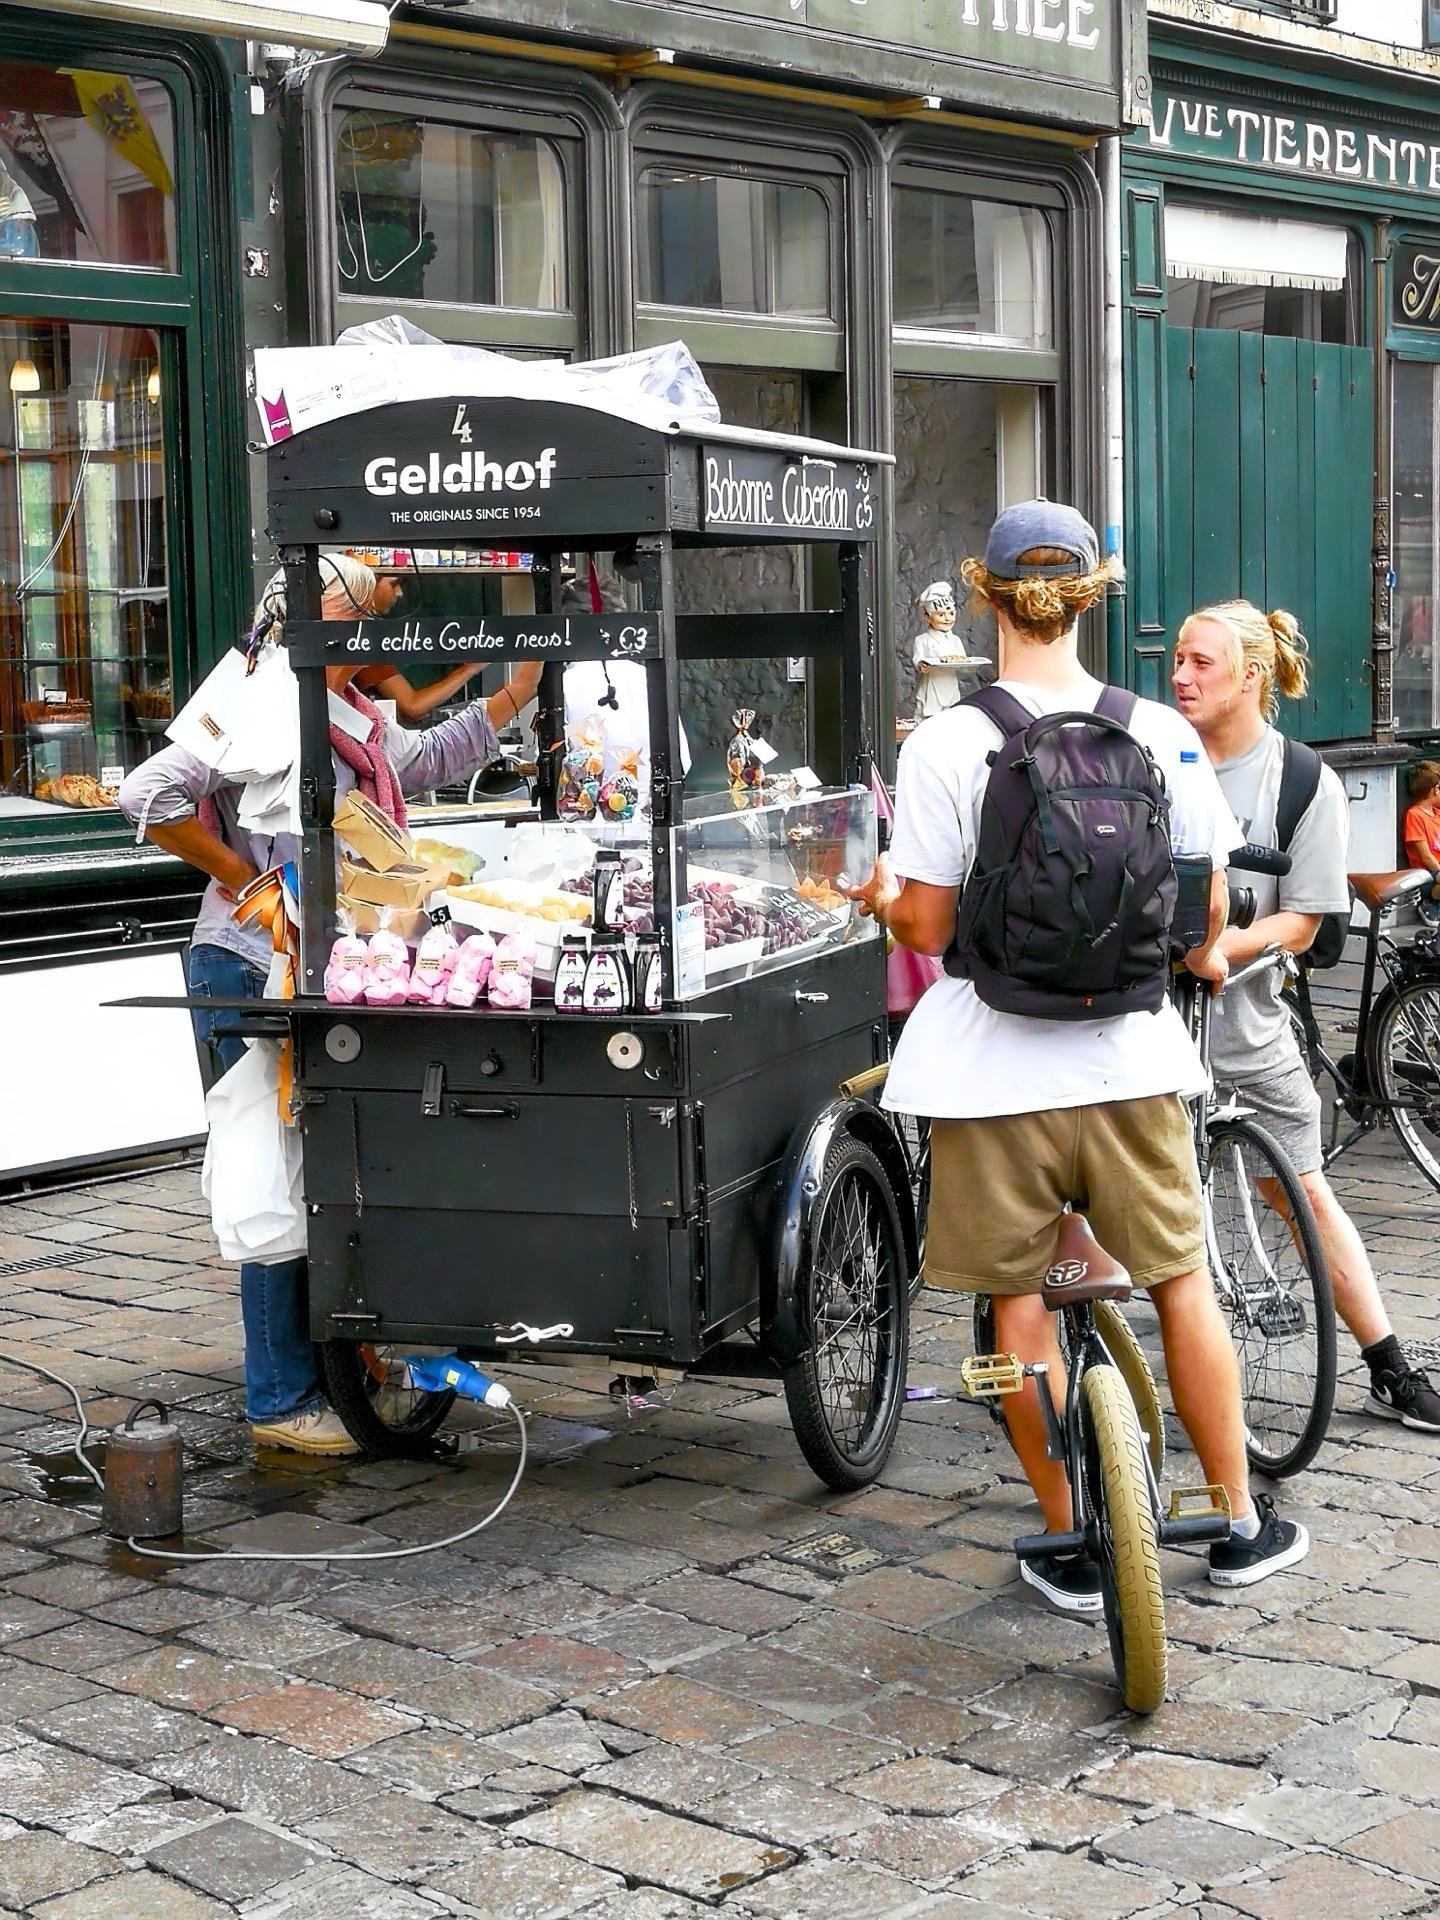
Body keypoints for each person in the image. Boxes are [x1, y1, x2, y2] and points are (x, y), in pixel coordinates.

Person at [856, 500, 1309, 1611]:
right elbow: (1204, 917)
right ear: (1093, 595)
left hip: (987, 1075)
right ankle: (1237, 1516)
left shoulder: (949, 744)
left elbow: (922, 926)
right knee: (1180, 1285)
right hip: (1135, 1065)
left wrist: (880, 900)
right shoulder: (1161, 732)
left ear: (985, 595)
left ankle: (1067, 1538)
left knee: (1016, 1314)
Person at [117, 561, 540, 1457]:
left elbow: (417, 760)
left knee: (331, 1170)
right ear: (332, 617)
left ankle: (352, 1357)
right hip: (249, 965)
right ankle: (279, 1399)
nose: (393, 627)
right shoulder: (263, 697)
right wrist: (251, 881)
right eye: (382, 604)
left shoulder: (346, 706)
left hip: (329, 966)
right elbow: (146, 795)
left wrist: (511, 700)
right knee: (271, 1171)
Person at [1174, 602, 1440, 1434]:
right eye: (1177, 658)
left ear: (1251, 674)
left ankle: (1388, 1365)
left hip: (1248, 1032)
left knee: (1304, 1194)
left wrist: (1226, 948)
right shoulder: (1151, 754)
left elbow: (1309, 919)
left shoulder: (1297, 780)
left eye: (1201, 662)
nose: (1180, 675)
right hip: (1142, 1033)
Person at [1402, 759, 1440, 928]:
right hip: (1426, 875)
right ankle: (1430, 905)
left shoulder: (1437, 814)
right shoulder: (1415, 815)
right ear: (1435, 790)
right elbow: (1425, 856)